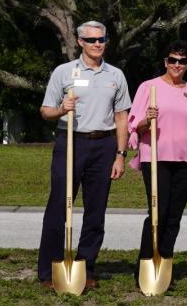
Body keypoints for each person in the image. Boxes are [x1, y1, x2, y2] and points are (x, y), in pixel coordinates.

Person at [36, 21, 132, 291]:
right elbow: (45, 111)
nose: (98, 44)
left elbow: (122, 117)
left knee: (96, 211)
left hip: (104, 145)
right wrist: (61, 109)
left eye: (102, 39)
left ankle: (86, 267)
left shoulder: (116, 75)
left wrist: (121, 154)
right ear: (80, 42)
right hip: (71, 141)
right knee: (59, 207)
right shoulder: (64, 72)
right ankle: (48, 271)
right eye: (92, 40)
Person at [128, 41, 187, 281]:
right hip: (156, 158)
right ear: (165, 62)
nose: (176, 65)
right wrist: (147, 121)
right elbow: (133, 125)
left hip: (185, 159)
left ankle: (164, 262)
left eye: (182, 61)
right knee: (158, 212)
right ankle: (146, 263)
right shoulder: (149, 87)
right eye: (172, 60)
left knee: (175, 214)